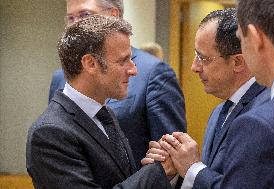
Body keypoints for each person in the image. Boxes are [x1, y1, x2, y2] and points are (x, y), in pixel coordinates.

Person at [26, 15, 172, 189]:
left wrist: (152, 167)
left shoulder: (104, 114)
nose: (133, 70)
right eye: (123, 61)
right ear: (91, 63)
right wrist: (158, 172)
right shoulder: (50, 132)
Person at [48, 0, 186, 168]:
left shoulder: (153, 73)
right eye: (70, 18)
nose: (76, 24)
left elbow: (170, 156)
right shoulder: (60, 78)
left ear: (114, 16)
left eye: (85, 15)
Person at [142, 8, 270, 188]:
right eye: (196, 55)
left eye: (203, 58)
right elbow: (210, 174)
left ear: (237, 62)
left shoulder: (265, 113)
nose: (194, 67)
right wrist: (174, 168)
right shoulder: (219, 112)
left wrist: (191, 168)